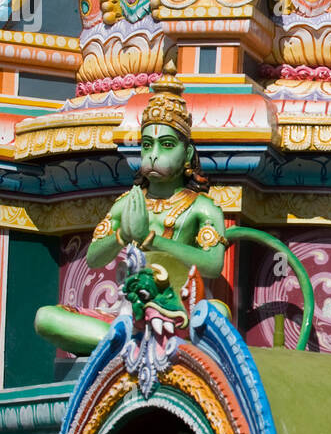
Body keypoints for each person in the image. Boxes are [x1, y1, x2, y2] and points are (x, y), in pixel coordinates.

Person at [35, 64, 227, 355]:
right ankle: (130, 340)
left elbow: (212, 264)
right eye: (147, 144)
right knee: (47, 318)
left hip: (178, 308)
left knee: (218, 312)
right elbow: (94, 258)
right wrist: (122, 236)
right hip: (127, 312)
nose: (153, 154)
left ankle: (135, 341)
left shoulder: (203, 207)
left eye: (166, 145)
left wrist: (152, 240)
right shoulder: (127, 202)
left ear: (187, 153)